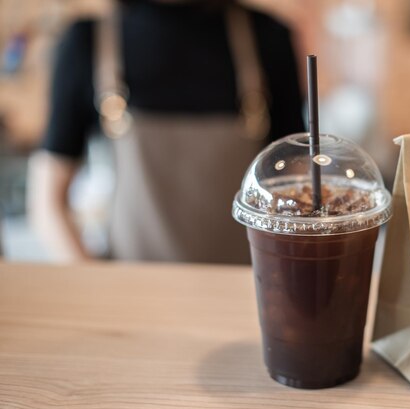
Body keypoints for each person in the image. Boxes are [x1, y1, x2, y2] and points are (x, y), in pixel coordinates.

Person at [28, 0, 303, 264]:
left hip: (245, 293)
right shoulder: (88, 41)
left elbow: (300, 189)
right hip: (131, 295)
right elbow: (47, 203)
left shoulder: (268, 38)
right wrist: (98, 288)